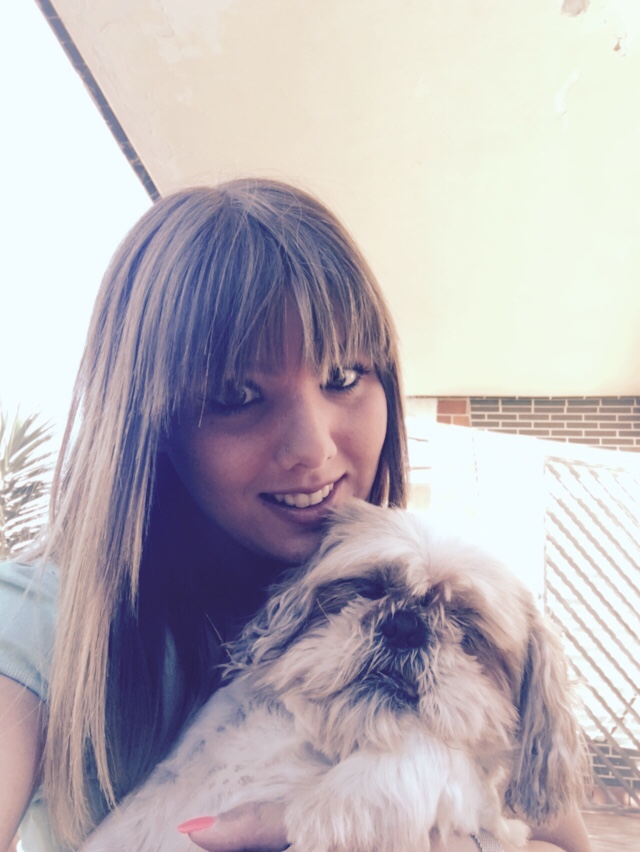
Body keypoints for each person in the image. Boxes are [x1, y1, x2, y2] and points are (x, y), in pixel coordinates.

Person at [0, 178, 591, 852]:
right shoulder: (37, 622)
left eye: (343, 377)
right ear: (148, 424)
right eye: (236, 393)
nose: (312, 448)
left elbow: (562, 837)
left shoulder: (451, 598)